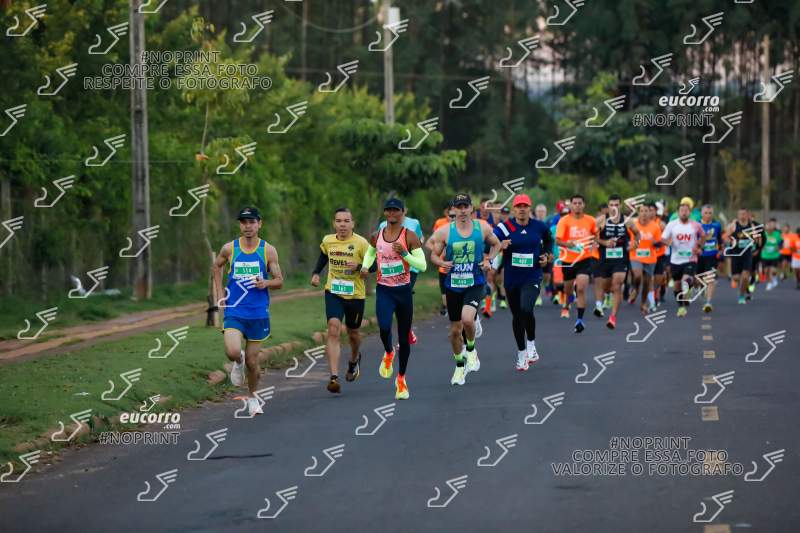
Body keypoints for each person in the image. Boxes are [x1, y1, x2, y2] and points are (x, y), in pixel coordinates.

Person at [212, 207, 283, 416]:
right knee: (233, 351)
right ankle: (238, 360)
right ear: (240, 225)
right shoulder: (229, 248)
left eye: (252, 222)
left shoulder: (268, 250)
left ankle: (252, 398)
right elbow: (216, 266)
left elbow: (279, 281)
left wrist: (266, 283)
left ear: (259, 224)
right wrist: (220, 293)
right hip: (234, 309)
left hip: (258, 312)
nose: (248, 226)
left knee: (253, 362)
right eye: (244, 222)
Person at [430, 194, 501, 385]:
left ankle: (471, 350)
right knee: (454, 331)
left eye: (465, 207)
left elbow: (497, 244)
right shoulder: (444, 231)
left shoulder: (482, 228)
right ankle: (460, 366)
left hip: (474, 282)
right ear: (453, 210)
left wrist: (489, 260)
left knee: (468, 319)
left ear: (471, 209)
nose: (462, 211)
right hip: (453, 285)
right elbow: (433, 255)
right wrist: (442, 263)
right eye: (458, 207)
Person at [362, 198, 427, 400]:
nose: (391, 213)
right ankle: (389, 352)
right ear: (385, 213)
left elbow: (423, 265)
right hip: (384, 290)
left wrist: (405, 254)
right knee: (383, 328)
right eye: (388, 210)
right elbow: (370, 254)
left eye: (395, 210)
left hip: (403, 291)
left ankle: (401, 379)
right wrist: (365, 266)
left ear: (402, 213)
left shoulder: (410, 236)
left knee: (404, 337)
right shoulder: (376, 236)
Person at [311, 208, 370, 393]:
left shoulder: (361, 243)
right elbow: (324, 255)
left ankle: (354, 359)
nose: (342, 224)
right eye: (339, 221)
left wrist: (360, 267)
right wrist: (316, 273)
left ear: (353, 224)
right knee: (333, 328)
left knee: (353, 333)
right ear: (334, 223)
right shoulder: (328, 240)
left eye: (346, 221)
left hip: (355, 295)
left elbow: (374, 264)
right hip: (333, 291)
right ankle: (334, 377)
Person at [493, 194, 553, 370]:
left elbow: (549, 239)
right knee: (517, 316)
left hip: (532, 275)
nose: (521, 209)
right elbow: (491, 241)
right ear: (514, 209)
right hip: (512, 279)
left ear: (529, 208)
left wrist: (546, 255)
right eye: (518, 206)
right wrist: (500, 245)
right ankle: (521, 354)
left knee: (527, 308)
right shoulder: (505, 227)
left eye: (525, 206)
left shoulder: (538, 226)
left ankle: (531, 344)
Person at [593, 194, 639, 329]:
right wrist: (604, 242)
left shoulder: (627, 221)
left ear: (620, 206)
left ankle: (612, 317)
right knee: (607, 287)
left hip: (621, 258)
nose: (614, 207)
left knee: (617, 284)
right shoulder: (601, 220)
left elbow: (637, 234)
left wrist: (635, 244)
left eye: (616, 205)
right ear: (608, 206)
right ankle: (606, 296)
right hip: (605, 259)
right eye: (611, 205)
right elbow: (593, 237)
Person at [379, 206, 423, 344]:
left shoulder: (414, 223)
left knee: (403, 299)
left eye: (398, 210)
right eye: (390, 210)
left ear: (404, 211)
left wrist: (408, 251)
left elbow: (420, 239)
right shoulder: (382, 225)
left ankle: (404, 334)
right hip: (390, 267)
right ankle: (407, 331)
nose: (394, 213)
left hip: (410, 268)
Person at [555, 194, 597, 333]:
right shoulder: (564, 221)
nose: (577, 205)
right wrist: (569, 244)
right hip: (568, 260)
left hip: (584, 259)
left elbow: (596, 236)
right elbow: (558, 241)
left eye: (580, 203)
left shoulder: (591, 220)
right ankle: (567, 303)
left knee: (581, 289)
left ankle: (579, 320)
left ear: (583, 205)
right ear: (571, 205)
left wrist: (595, 244)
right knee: (568, 290)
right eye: (575, 203)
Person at [661, 202, 704, 317]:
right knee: (677, 285)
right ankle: (681, 307)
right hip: (675, 259)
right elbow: (662, 238)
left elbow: (703, 235)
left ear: (690, 212)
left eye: (686, 211)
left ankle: (688, 290)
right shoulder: (672, 225)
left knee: (686, 279)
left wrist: (700, 247)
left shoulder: (696, 225)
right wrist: (668, 242)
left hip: (690, 258)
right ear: (678, 212)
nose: (684, 213)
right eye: (682, 211)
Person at [628, 203, 662, 315]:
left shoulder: (655, 226)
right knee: (637, 275)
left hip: (650, 258)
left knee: (647, 283)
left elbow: (659, 243)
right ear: (638, 213)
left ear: (649, 213)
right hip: (635, 255)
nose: (644, 213)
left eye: (646, 211)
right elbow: (625, 238)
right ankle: (635, 289)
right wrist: (628, 245)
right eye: (641, 211)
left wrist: (655, 242)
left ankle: (643, 303)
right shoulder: (633, 225)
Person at [725, 208, 762, 305]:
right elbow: (727, 237)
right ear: (738, 215)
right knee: (736, 277)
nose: (742, 216)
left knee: (745, 277)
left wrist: (755, 244)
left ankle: (741, 296)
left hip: (747, 254)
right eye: (741, 214)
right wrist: (732, 241)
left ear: (747, 215)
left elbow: (757, 239)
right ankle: (743, 287)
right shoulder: (734, 225)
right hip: (736, 254)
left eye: (744, 214)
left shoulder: (751, 226)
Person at [429, 203, 456, 316]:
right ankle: (446, 307)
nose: (453, 218)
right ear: (446, 213)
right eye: (451, 215)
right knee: (444, 288)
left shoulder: (465, 227)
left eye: (455, 215)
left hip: (461, 266)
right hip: (444, 264)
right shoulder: (440, 224)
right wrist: (438, 252)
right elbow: (430, 242)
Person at [698, 204, 723, 312]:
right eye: (706, 213)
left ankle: (708, 302)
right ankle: (700, 288)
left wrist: (720, 250)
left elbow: (720, 240)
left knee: (710, 278)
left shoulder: (717, 225)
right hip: (699, 256)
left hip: (712, 256)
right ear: (701, 214)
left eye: (710, 213)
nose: (708, 215)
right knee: (698, 280)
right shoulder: (697, 225)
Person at [760, 218, 783, 291]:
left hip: (774, 255)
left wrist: (779, 247)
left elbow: (781, 242)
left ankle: (773, 279)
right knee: (766, 271)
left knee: (773, 271)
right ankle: (769, 282)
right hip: (765, 255)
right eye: (768, 226)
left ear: (773, 228)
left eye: (771, 226)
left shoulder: (777, 234)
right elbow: (759, 243)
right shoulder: (763, 234)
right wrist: (761, 246)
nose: (769, 228)